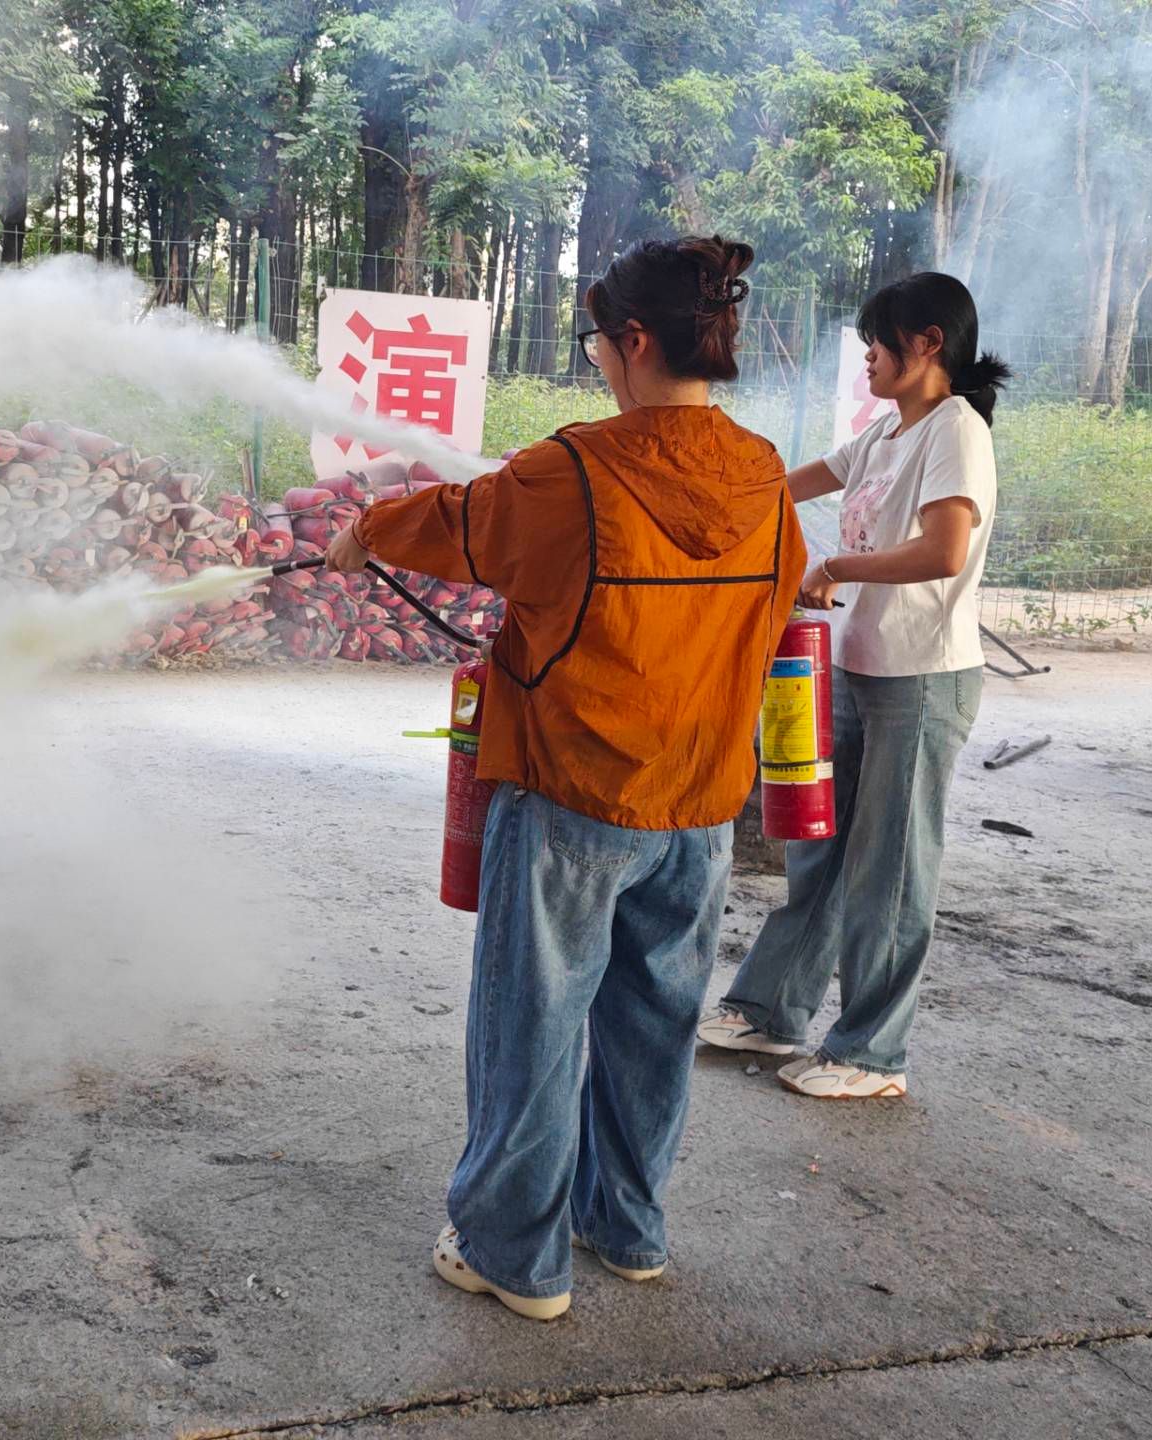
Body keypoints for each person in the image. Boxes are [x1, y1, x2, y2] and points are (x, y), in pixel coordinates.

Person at [327, 235, 808, 1321]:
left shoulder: (578, 469)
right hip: (699, 809)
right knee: (654, 1028)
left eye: (597, 341)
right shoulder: (763, 472)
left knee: (533, 1030)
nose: (597, 359)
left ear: (634, 339)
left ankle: (513, 1254)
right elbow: (778, 600)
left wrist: (368, 531)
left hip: (572, 800)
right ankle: (627, 1230)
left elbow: (462, 522)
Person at [698, 272, 1011, 1100]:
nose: (867, 354)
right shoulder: (885, 433)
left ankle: (873, 1054)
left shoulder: (955, 430)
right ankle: (771, 1010)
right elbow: (792, 484)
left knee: (890, 870)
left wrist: (832, 567)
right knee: (820, 847)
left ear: (928, 343)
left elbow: (943, 552)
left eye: (879, 339)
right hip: (857, 665)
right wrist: (710, 492)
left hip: (922, 679)